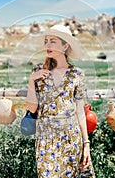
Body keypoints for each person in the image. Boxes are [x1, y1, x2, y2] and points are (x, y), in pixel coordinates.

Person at [26, 24, 95, 177]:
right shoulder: (38, 71)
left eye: (53, 41)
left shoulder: (76, 74)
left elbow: (79, 111)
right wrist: (31, 82)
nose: (47, 45)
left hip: (71, 138)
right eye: (46, 40)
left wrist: (86, 144)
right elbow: (32, 109)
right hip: (46, 140)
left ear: (65, 46)